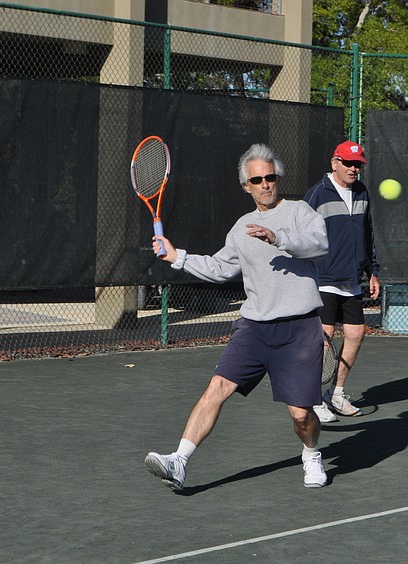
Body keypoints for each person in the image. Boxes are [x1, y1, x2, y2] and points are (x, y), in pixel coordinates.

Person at [144, 143, 331, 490]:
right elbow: (220, 268)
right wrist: (177, 257)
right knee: (217, 387)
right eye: (257, 180)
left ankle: (310, 453)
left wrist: (278, 237)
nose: (265, 184)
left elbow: (319, 244)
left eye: (270, 177)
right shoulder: (241, 227)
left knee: (301, 414)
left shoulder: (299, 212)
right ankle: (179, 461)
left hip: (299, 329)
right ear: (246, 186)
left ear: (277, 178)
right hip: (254, 329)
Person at [304, 140, 380, 423]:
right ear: (334, 162)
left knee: (356, 334)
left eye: (357, 165)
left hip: (352, 280)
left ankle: (335, 394)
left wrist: (373, 271)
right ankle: (312, 398)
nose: (353, 169)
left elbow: (367, 234)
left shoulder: (362, 192)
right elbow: (301, 235)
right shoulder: (317, 194)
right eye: (348, 163)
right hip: (323, 280)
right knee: (324, 341)